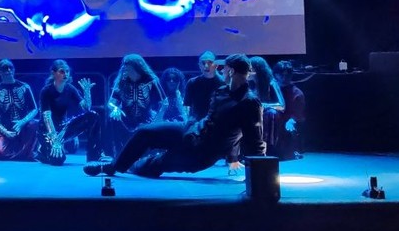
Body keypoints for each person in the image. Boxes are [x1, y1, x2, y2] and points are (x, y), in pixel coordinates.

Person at [85, 54, 265, 178]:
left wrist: (258, 174)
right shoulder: (221, 91)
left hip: (202, 152)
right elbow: (208, 119)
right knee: (145, 132)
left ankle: (131, 165)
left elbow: (253, 140)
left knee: (153, 165)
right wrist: (190, 126)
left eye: (224, 68)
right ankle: (113, 167)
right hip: (191, 132)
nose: (221, 70)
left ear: (231, 71)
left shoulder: (249, 102)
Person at [37, 59, 100, 166]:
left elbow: (86, 109)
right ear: (53, 73)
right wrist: (55, 140)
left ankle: (93, 155)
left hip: (62, 127)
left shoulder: (70, 88)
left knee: (93, 115)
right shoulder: (46, 91)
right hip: (48, 130)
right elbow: (47, 117)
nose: (65, 74)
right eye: (62, 71)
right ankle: (42, 150)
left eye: (67, 71)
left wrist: (87, 93)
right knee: (57, 159)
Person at [107, 54, 165, 158]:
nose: (124, 68)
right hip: (127, 119)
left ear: (136, 66)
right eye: (123, 65)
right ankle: (118, 154)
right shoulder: (121, 82)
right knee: (113, 117)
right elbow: (110, 103)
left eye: (127, 65)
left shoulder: (151, 81)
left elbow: (164, 103)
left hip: (147, 119)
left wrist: (157, 120)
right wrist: (115, 108)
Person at [0, 59, 38, 161]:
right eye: (5, 68)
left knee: (35, 124)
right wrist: (5, 131)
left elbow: (34, 109)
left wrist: (22, 122)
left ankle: (27, 153)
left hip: (23, 125)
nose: (9, 71)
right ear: (0, 72)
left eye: (11, 68)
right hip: (5, 125)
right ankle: (22, 154)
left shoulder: (24, 87)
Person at [271, 60, 306, 160]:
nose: (284, 78)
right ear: (275, 75)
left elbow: (298, 114)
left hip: (287, 122)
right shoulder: (270, 89)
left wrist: (291, 121)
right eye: (281, 75)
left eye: (287, 75)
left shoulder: (297, 93)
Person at [183, 50, 224, 123]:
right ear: (199, 65)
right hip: (197, 124)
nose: (206, 66)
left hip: (219, 123)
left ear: (216, 65)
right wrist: (189, 120)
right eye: (203, 63)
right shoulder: (192, 82)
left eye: (210, 62)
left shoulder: (224, 83)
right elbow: (187, 105)